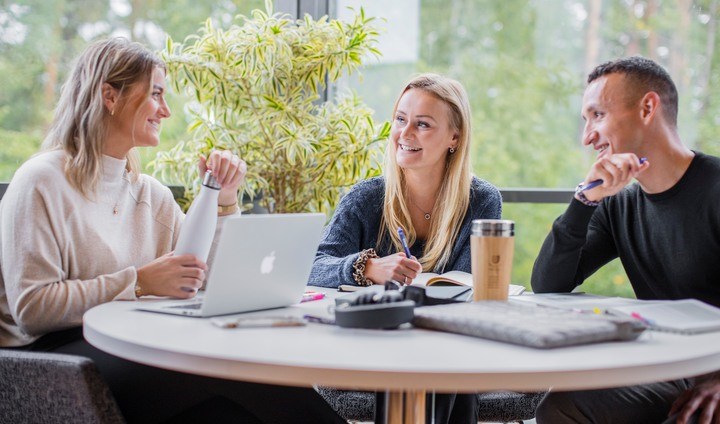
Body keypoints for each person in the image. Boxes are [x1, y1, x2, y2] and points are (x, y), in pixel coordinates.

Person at [0, 37, 344, 424]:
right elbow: (32, 308)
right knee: (236, 373)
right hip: (51, 362)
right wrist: (139, 283)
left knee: (231, 409)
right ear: (109, 96)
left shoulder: (150, 195)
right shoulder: (41, 182)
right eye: (156, 94)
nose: (165, 110)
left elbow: (208, 278)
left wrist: (226, 201)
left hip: (132, 346)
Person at [531, 56, 720, 424]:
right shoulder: (619, 206)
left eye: (597, 115)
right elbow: (548, 282)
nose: (587, 137)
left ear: (648, 107)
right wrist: (584, 199)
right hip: (671, 372)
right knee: (560, 406)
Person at [309, 73, 502, 424]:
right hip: (374, 345)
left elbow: (466, 287)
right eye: (400, 119)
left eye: (423, 124)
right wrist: (367, 268)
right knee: (446, 368)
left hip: (447, 348)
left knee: (445, 362)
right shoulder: (366, 198)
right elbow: (314, 265)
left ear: (454, 137)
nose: (405, 133)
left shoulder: (481, 201)